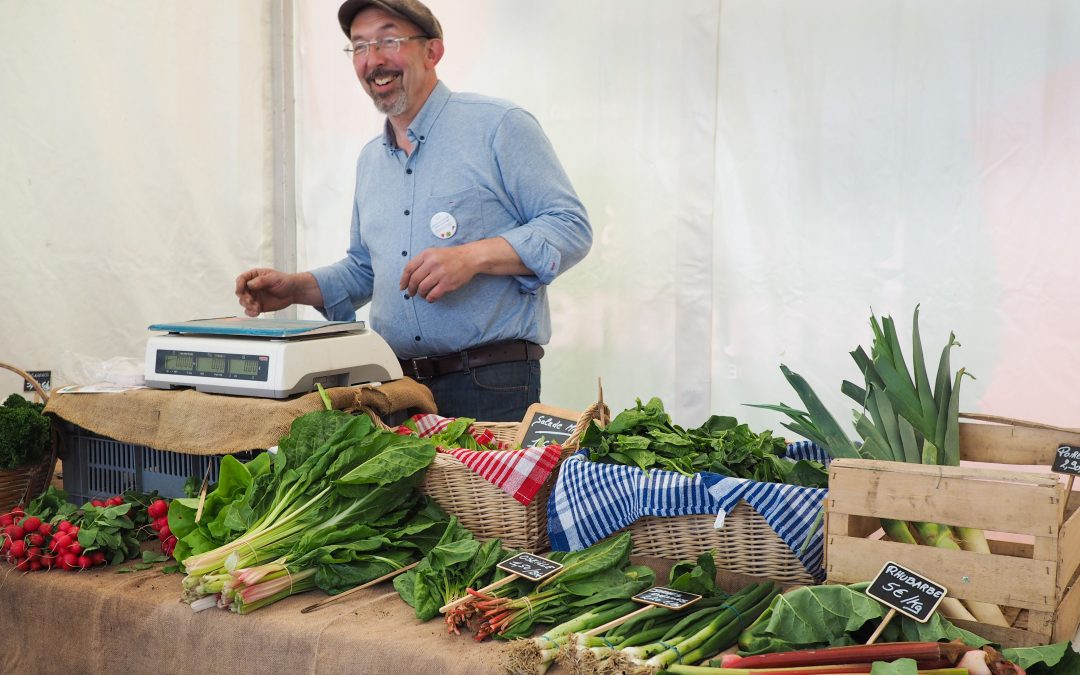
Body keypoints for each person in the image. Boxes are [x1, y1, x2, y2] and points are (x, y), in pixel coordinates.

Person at [235, 0, 592, 421]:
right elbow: (366, 269)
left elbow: (570, 228)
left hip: (489, 382)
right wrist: (295, 288)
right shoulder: (370, 160)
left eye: (389, 40)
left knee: (480, 492)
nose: (374, 60)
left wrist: (471, 257)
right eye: (360, 46)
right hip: (396, 387)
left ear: (432, 51)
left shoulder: (499, 126)